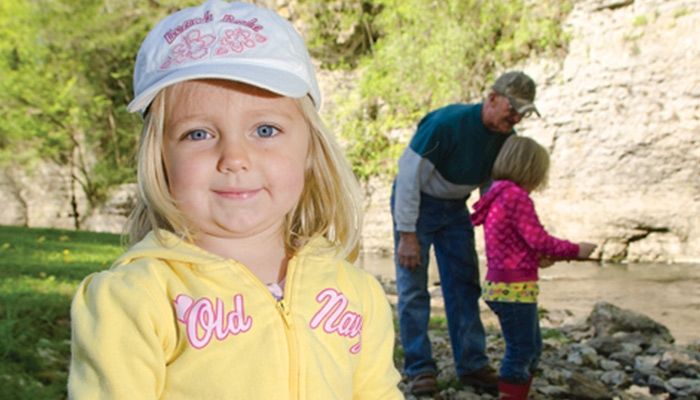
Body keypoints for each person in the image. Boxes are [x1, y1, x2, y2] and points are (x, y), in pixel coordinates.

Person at [68, 1, 402, 398]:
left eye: (264, 129)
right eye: (198, 134)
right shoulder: (134, 299)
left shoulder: (357, 294)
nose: (235, 158)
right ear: (160, 159)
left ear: (310, 149)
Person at [391, 70, 540, 395]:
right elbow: (408, 176)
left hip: (456, 208)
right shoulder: (446, 124)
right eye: (511, 109)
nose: (514, 118)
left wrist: (506, 235)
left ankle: (472, 365)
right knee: (413, 288)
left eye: (522, 114)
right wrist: (407, 234)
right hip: (418, 204)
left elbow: (492, 188)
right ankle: (419, 368)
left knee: (464, 285)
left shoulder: (504, 137)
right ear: (492, 99)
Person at [471, 135, 596, 399]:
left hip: (503, 285)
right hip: (514, 289)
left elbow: (510, 242)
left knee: (532, 347)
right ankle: (510, 394)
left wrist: (534, 258)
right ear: (531, 170)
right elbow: (538, 239)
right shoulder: (516, 197)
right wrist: (576, 251)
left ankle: (518, 393)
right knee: (521, 350)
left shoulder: (498, 194)